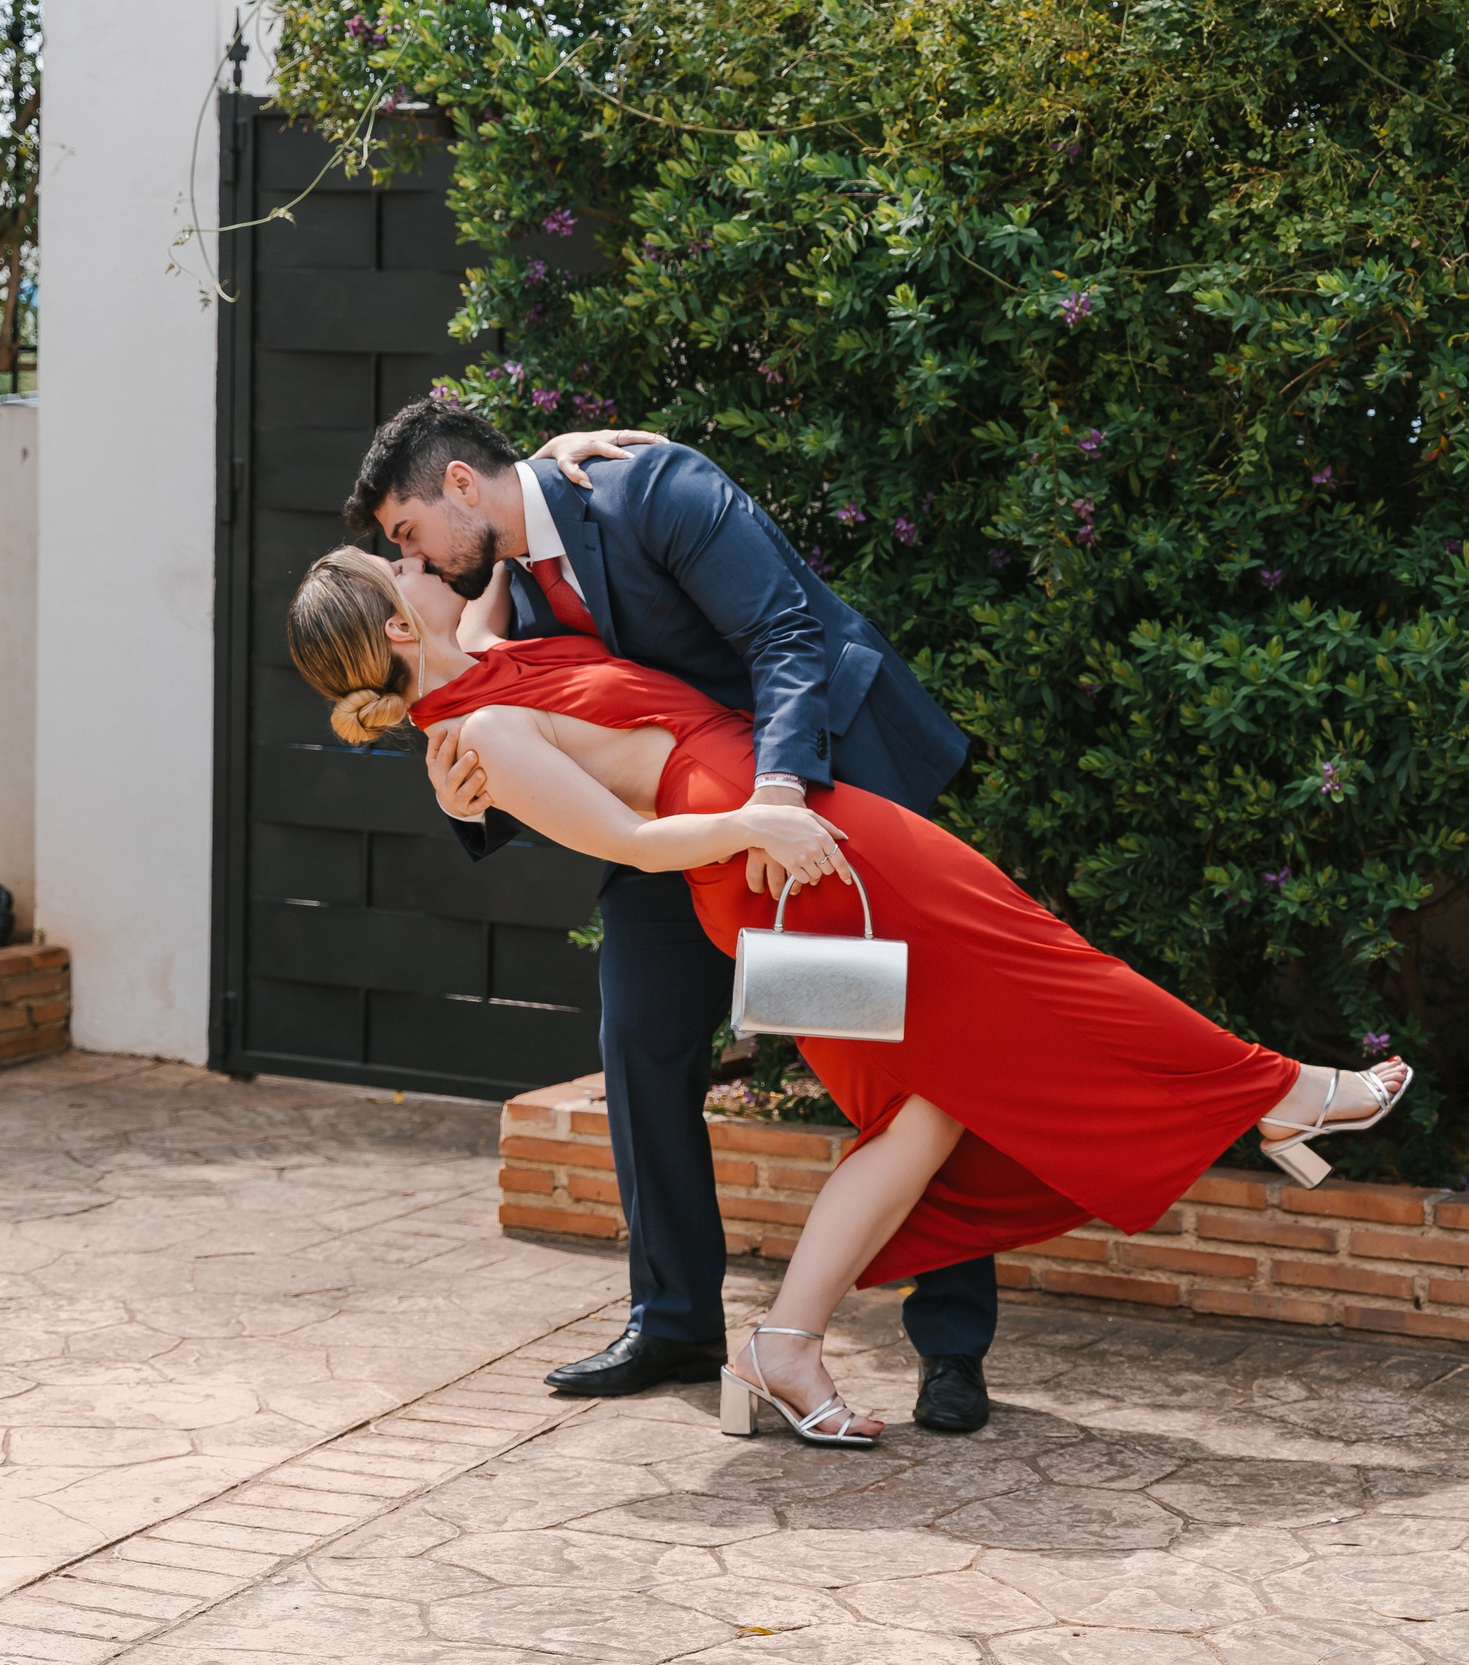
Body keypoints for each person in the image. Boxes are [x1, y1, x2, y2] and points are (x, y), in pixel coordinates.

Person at [286, 547, 1412, 1445]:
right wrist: (753, 822)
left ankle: (782, 1347)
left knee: (922, 1112)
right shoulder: (479, 728)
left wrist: (571, 446)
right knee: (1040, 964)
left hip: (804, 863)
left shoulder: (485, 649)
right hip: (795, 877)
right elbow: (624, 837)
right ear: (395, 625)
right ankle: (1285, 1096)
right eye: (402, 561)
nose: (423, 554)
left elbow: (498, 528)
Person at [347, 401, 1008, 1433]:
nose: (413, 557)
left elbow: (786, 636)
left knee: (896, 1054)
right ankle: (674, 1320)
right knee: (642, 1038)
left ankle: (952, 1343)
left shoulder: (652, 489)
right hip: (679, 840)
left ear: (461, 489)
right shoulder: (499, 581)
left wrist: (779, 802)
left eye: (408, 533)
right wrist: (458, 801)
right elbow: (502, 722)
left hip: (811, 808)